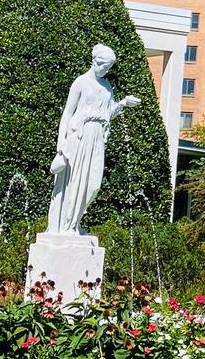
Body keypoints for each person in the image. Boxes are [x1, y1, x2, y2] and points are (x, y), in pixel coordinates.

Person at [47, 44, 141, 234]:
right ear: (95, 62)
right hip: (79, 135)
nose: (106, 70)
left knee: (93, 185)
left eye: (109, 67)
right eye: (105, 66)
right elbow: (67, 113)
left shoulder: (107, 86)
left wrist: (123, 103)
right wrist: (61, 143)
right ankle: (67, 226)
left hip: (97, 137)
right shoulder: (80, 82)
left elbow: (107, 114)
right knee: (74, 181)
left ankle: (75, 222)